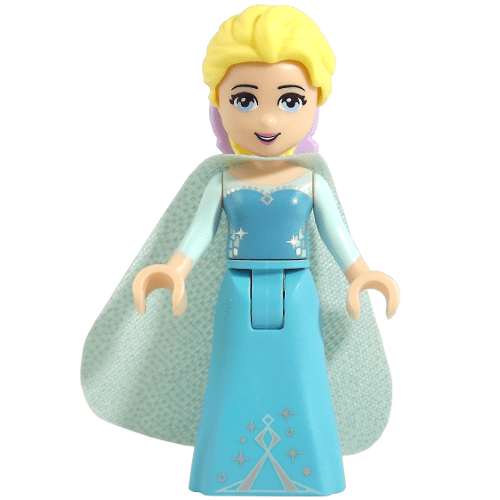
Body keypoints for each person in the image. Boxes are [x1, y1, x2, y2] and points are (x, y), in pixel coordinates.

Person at [82, 5, 399, 496]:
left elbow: (338, 237)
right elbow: (197, 235)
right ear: (219, 103)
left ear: (315, 102)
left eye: (290, 100)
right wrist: (173, 269)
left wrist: (361, 274)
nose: (267, 119)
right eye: (245, 99)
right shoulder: (223, 182)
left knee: (301, 376)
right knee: (233, 377)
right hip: (236, 291)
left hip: (298, 292)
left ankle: (308, 474)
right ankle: (225, 474)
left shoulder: (311, 183)